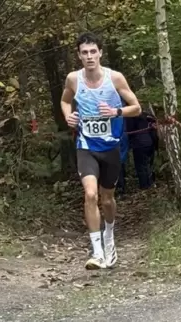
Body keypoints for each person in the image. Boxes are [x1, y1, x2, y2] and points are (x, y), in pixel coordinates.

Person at [60, 32, 141, 269]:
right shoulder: (73, 79)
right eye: (84, 52)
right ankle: (96, 253)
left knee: (107, 200)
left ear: (100, 53)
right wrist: (69, 117)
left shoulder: (115, 79)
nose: (89, 56)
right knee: (90, 195)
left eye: (93, 51)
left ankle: (109, 237)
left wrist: (116, 112)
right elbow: (65, 101)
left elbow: (136, 108)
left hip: (111, 147)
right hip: (86, 146)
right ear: (78, 55)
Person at [125, 110, 158, 189]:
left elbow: (129, 129)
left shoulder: (131, 115)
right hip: (150, 141)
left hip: (140, 143)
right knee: (148, 163)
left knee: (141, 165)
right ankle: (151, 182)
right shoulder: (147, 115)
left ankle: (145, 186)